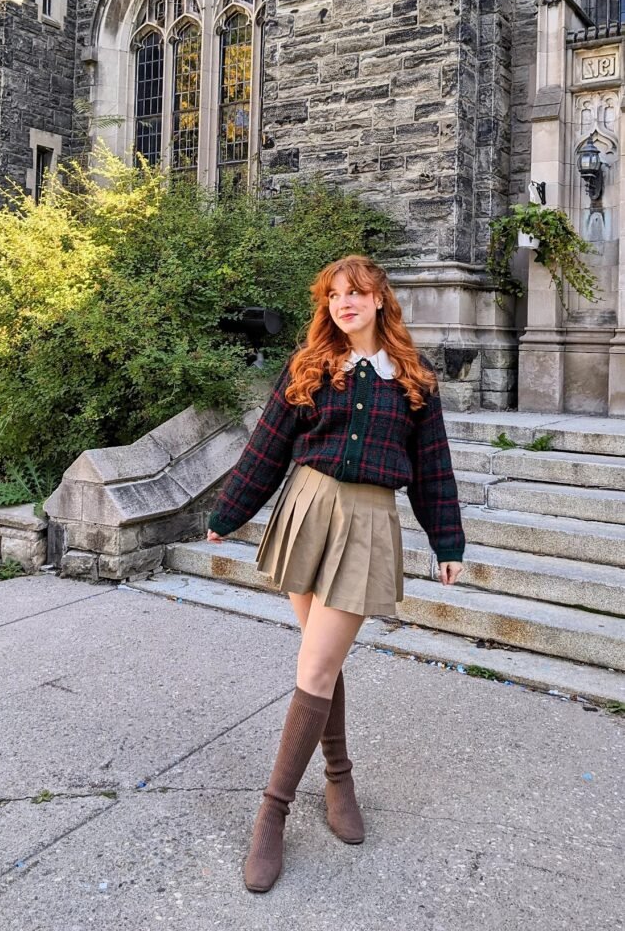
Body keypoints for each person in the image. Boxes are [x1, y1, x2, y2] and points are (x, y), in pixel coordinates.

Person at [206, 254, 465, 893]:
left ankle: (272, 814)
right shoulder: (311, 368)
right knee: (320, 665)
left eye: (357, 293)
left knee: (317, 666)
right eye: (333, 295)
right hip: (307, 511)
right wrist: (229, 511)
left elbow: (433, 467)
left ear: (381, 301)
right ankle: (340, 776)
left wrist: (447, 541)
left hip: (369, 521)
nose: (343, 303)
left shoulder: (414, 378)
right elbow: (265, 448)